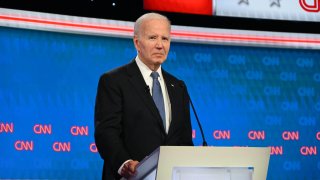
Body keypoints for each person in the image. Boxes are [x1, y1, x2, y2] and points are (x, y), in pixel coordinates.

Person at [94, 12, 194, 180]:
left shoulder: (178, 86)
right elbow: (106, 132)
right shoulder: (114, 81)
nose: (160, 45)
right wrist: (125, 163)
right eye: (153, 37)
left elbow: (183, 140)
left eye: (165, 39)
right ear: (137, 43)